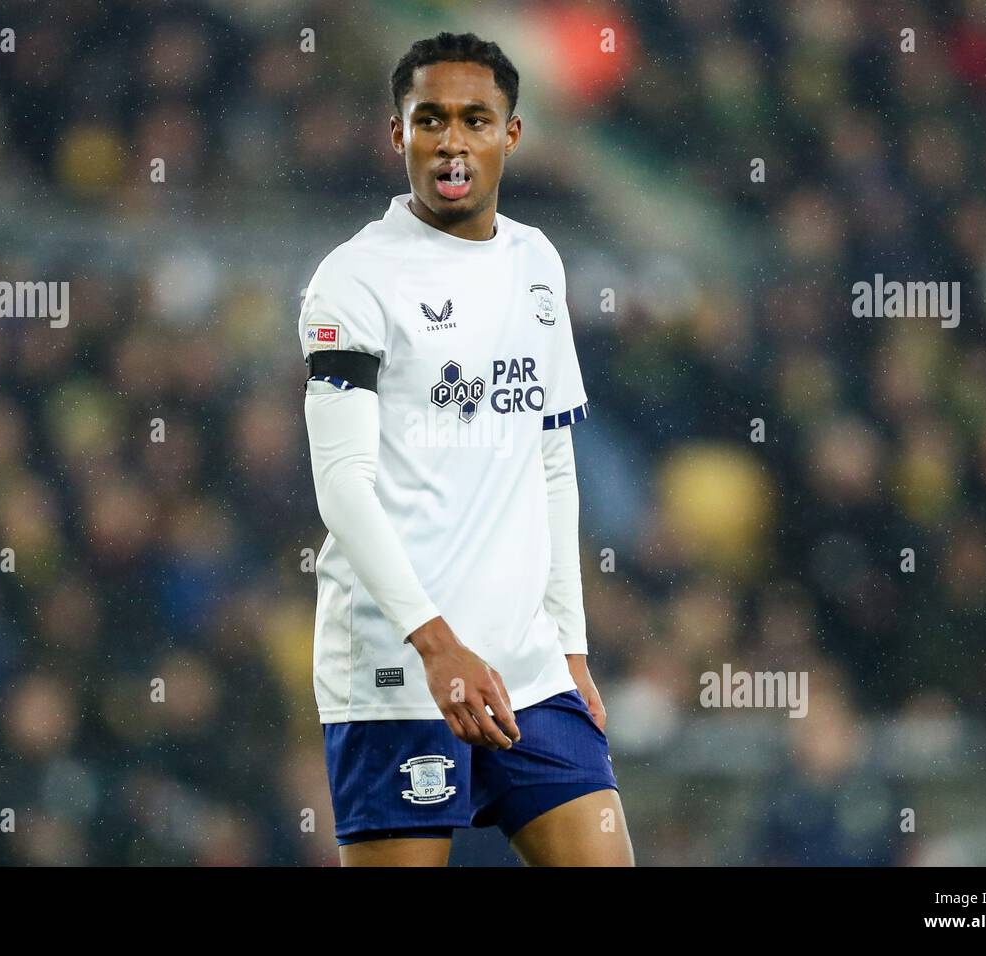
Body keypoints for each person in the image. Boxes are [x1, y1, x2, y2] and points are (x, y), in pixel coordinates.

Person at [299, 31, 633, 867]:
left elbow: (552, 456)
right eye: (431, 120)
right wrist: (437, 645)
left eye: (476, 120)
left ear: (510, 135)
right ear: (397, 134)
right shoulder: (353, 280)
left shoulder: (536, 263)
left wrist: (571, 646)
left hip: (528, 669)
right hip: (399, 668)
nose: (452, 141)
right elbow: (343, 487)